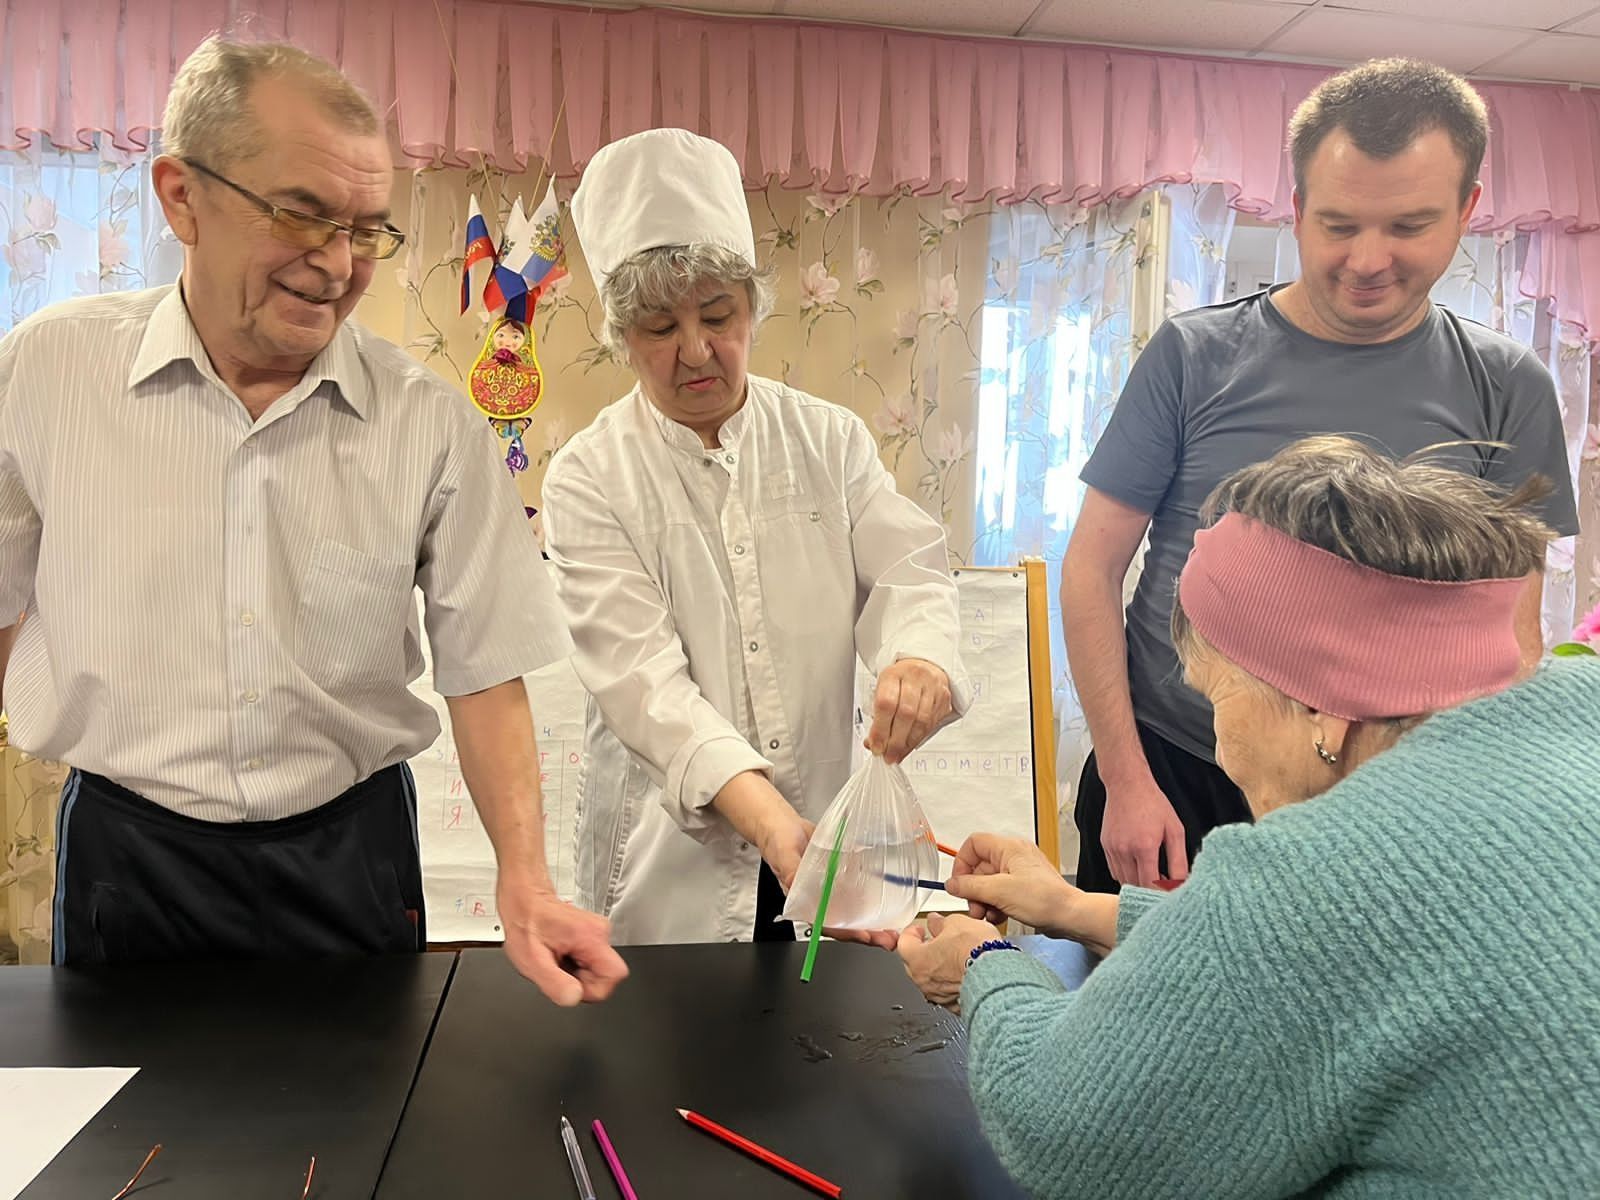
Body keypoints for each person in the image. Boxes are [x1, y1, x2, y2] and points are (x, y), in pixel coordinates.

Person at [0, 38, 625, 1005]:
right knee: (127, 1152)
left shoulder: (426, 422)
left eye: (366, 231)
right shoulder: (47, 372)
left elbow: (485, 670)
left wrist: (524, 878)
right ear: (180, 196)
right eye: (302, 215)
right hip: (131, 858)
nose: (336, 265)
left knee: (356, 1142)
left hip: (349, 854)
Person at [900, 435, 1600, 1198]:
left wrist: (983, 967)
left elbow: (1064, 1129)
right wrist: (1073, 907)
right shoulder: (1574, 713)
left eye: (1217, 696)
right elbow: (1360, 959)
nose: (1222, 750)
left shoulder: (1325, 868)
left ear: (1323, 711)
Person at [1063, 57, 1579, 894]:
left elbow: (1509, 642)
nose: (1368, 260)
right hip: (1178, 774)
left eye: (1409, 225)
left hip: (1384, 807)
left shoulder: (1508, 386)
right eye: (1339, 224)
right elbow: (1091, 570)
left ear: (1467, 211)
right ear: (1296, 210)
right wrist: (1126, 780)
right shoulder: (1193, 358)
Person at [542, 128, 967, 945]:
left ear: (752, 308)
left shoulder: (827, 440)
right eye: (661, 328)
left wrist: (918, 659)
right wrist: (768, 819)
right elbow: (644, 686)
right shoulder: (590, 478)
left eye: (717, 316)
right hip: (667, 864)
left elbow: (910, 571)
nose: (696, 351)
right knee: (662, 1062)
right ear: (623, 336)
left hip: (818, 840)